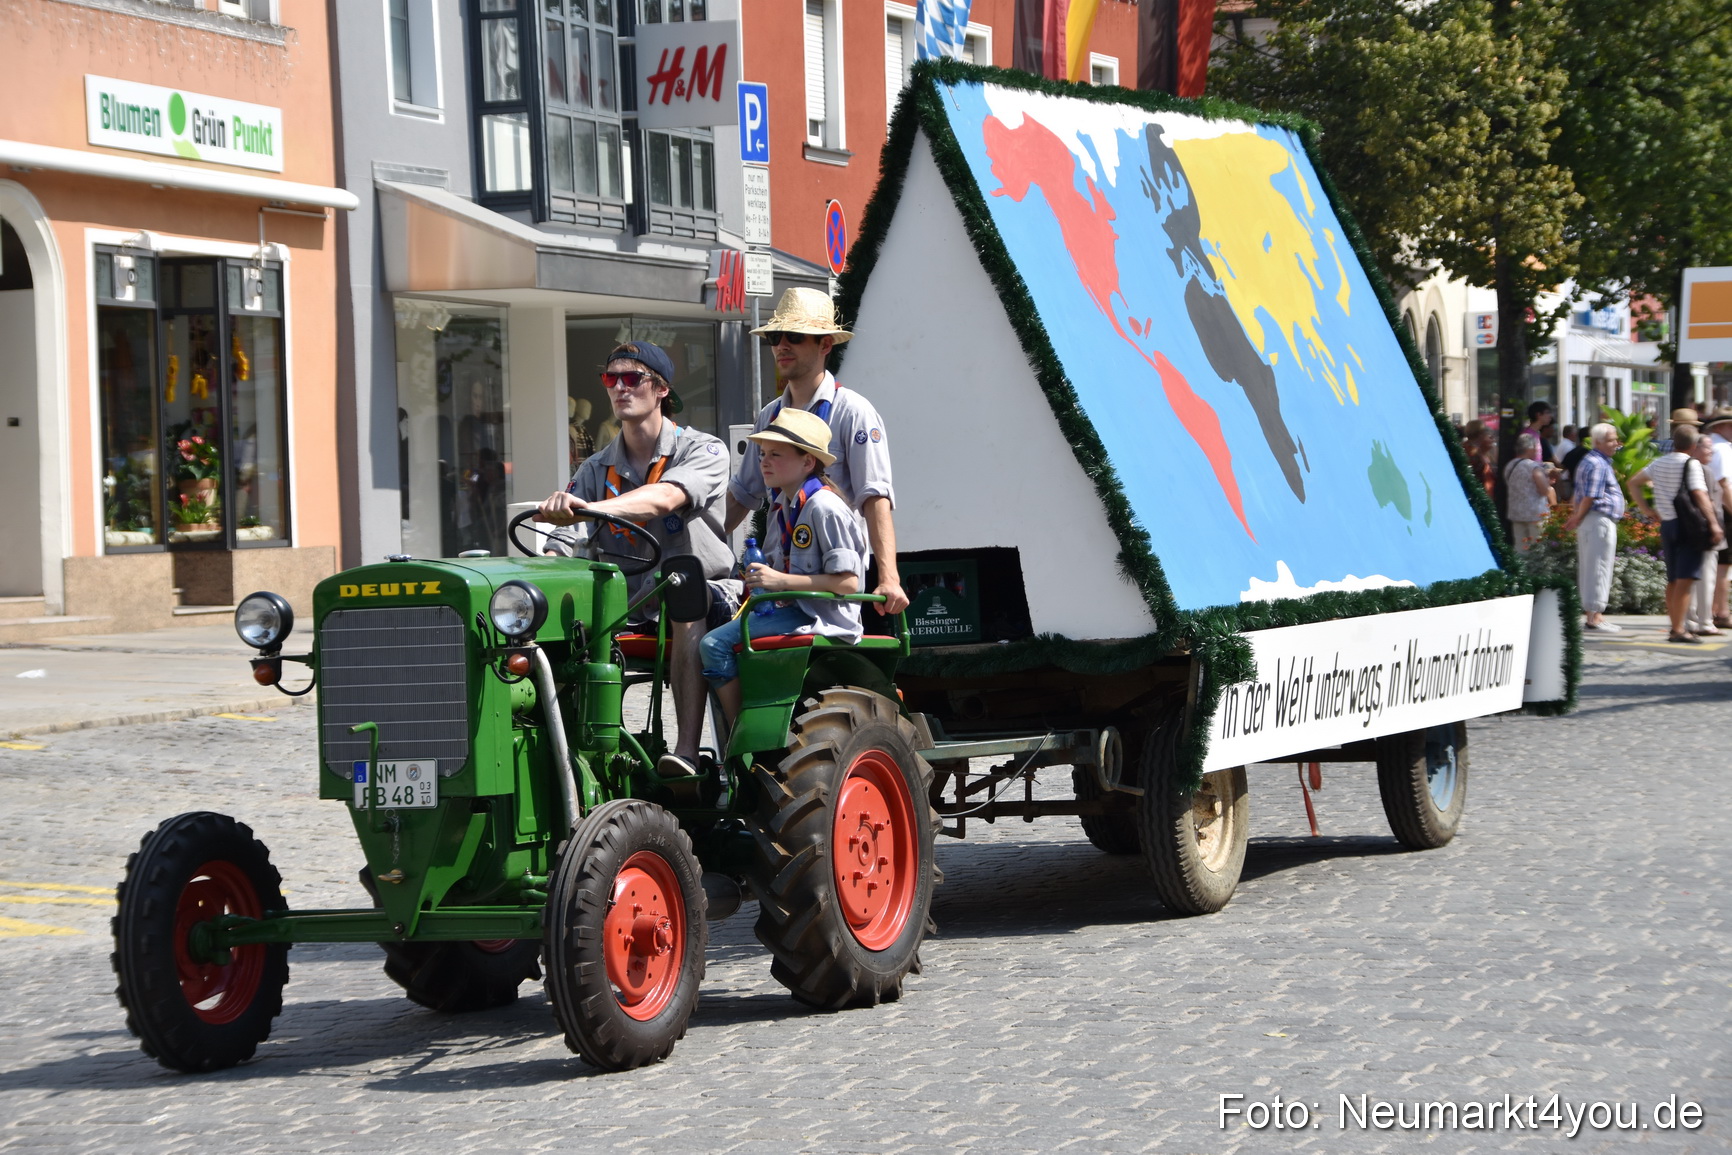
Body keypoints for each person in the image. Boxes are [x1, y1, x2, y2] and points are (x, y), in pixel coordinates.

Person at [536, 341, 739, 777]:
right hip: (627, 606)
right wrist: (552, 553)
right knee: (550, 620)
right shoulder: (595, 469)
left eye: (633, 379)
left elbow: (663, 498)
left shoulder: (702, 450)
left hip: (709, 598)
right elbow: (564, 542)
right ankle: (575, 763)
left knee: (685, 595)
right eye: (612, 379)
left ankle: (686, 755)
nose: (620, 388)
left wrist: (590, 509)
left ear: (662, 389)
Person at [725, 288, 909, 614]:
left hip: (829, 591)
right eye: (775, 337)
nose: (781, 345)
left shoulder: (853, 411)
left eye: (795, 336)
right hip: (774, 585)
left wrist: (889, 578)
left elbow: (875, 497)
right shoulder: (769, 417)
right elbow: (742, 495)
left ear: (825, 345)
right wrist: (693, 547)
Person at [700, 408, 867, 726]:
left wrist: (780, 580)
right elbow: (776, 567)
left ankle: (741, 735)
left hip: (819, 616)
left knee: (713, 645)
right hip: (790, 609)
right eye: (763, 453)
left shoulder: (825, 507)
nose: (763, 461)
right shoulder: (782, 506)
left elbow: (848, 583)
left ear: (807, 462)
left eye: (776, 454)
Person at [1627, 423, 1725, 643]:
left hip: (1668, 524)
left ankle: (1675, 625)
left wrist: (1647, 509)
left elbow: (1633, 482)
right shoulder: (1691, 464)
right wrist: (1714, 524)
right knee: (1685, 580)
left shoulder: (1659, 462)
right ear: (1692, 445)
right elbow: (1699, 494)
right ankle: (1679, 629)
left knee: (1672, 580)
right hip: (1687, 526)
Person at [1562, 423, 1626, 633]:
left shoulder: (1591, 460)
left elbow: (1579, 493)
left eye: (1615, 439)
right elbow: (1590, 495)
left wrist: (1577, 516)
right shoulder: (1598, 463)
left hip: (1592, 520)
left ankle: (1594, 615)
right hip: (1598, 520)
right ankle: (1595, 617)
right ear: (1598, 442)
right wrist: (1577, 517)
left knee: (1592, 567)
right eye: (1611, 440)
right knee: (1599, 567)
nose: (1616, 443)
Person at [1702, 408, 1732, 629]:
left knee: (1720, 565)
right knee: (1725, 565)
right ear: (1720, 427)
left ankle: (1716, 610)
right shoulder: (1721, 448)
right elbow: (1724, 484)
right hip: (1724, 511)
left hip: (1716, 510)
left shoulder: (1716, 445)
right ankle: (1721, 611)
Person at [1503, 432, 1555, 553]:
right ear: (1530, 448)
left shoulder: (1509, 466)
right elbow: (1544, 490)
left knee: (1521, 548)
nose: (1537, 451)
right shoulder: (1533, 466)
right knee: (1539, 549)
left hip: (1516, 512)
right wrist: (1548, 482)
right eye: (1536, 448)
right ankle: (1537, 572)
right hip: (1535, 514)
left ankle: (1521, 571)